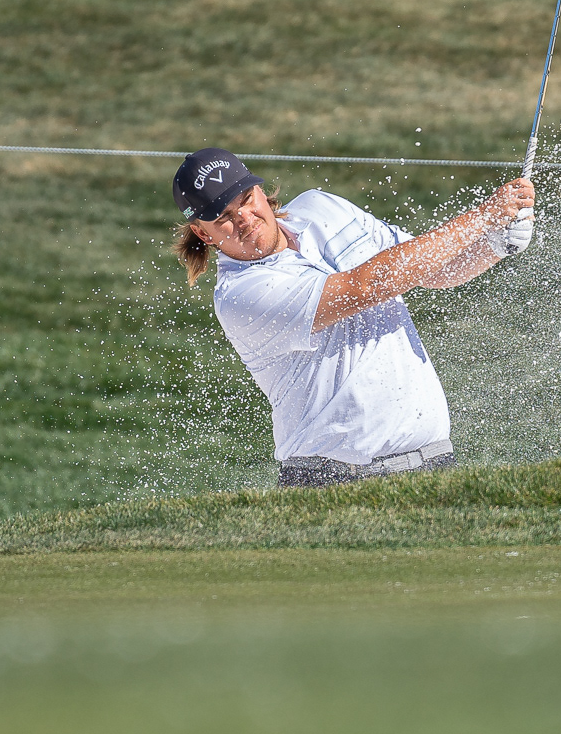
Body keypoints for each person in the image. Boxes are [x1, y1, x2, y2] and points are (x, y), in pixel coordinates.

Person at [170, 147, 534, 487]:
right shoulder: (240, 295)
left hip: (433, 465)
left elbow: (432, 271)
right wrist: (484, 216)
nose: (245, 219)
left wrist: (496, 243)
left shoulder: (320, 207)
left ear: (260, 190)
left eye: (247, 201)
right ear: (204, 233)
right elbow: (367, 285)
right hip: (333, 482)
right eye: (224, 218)